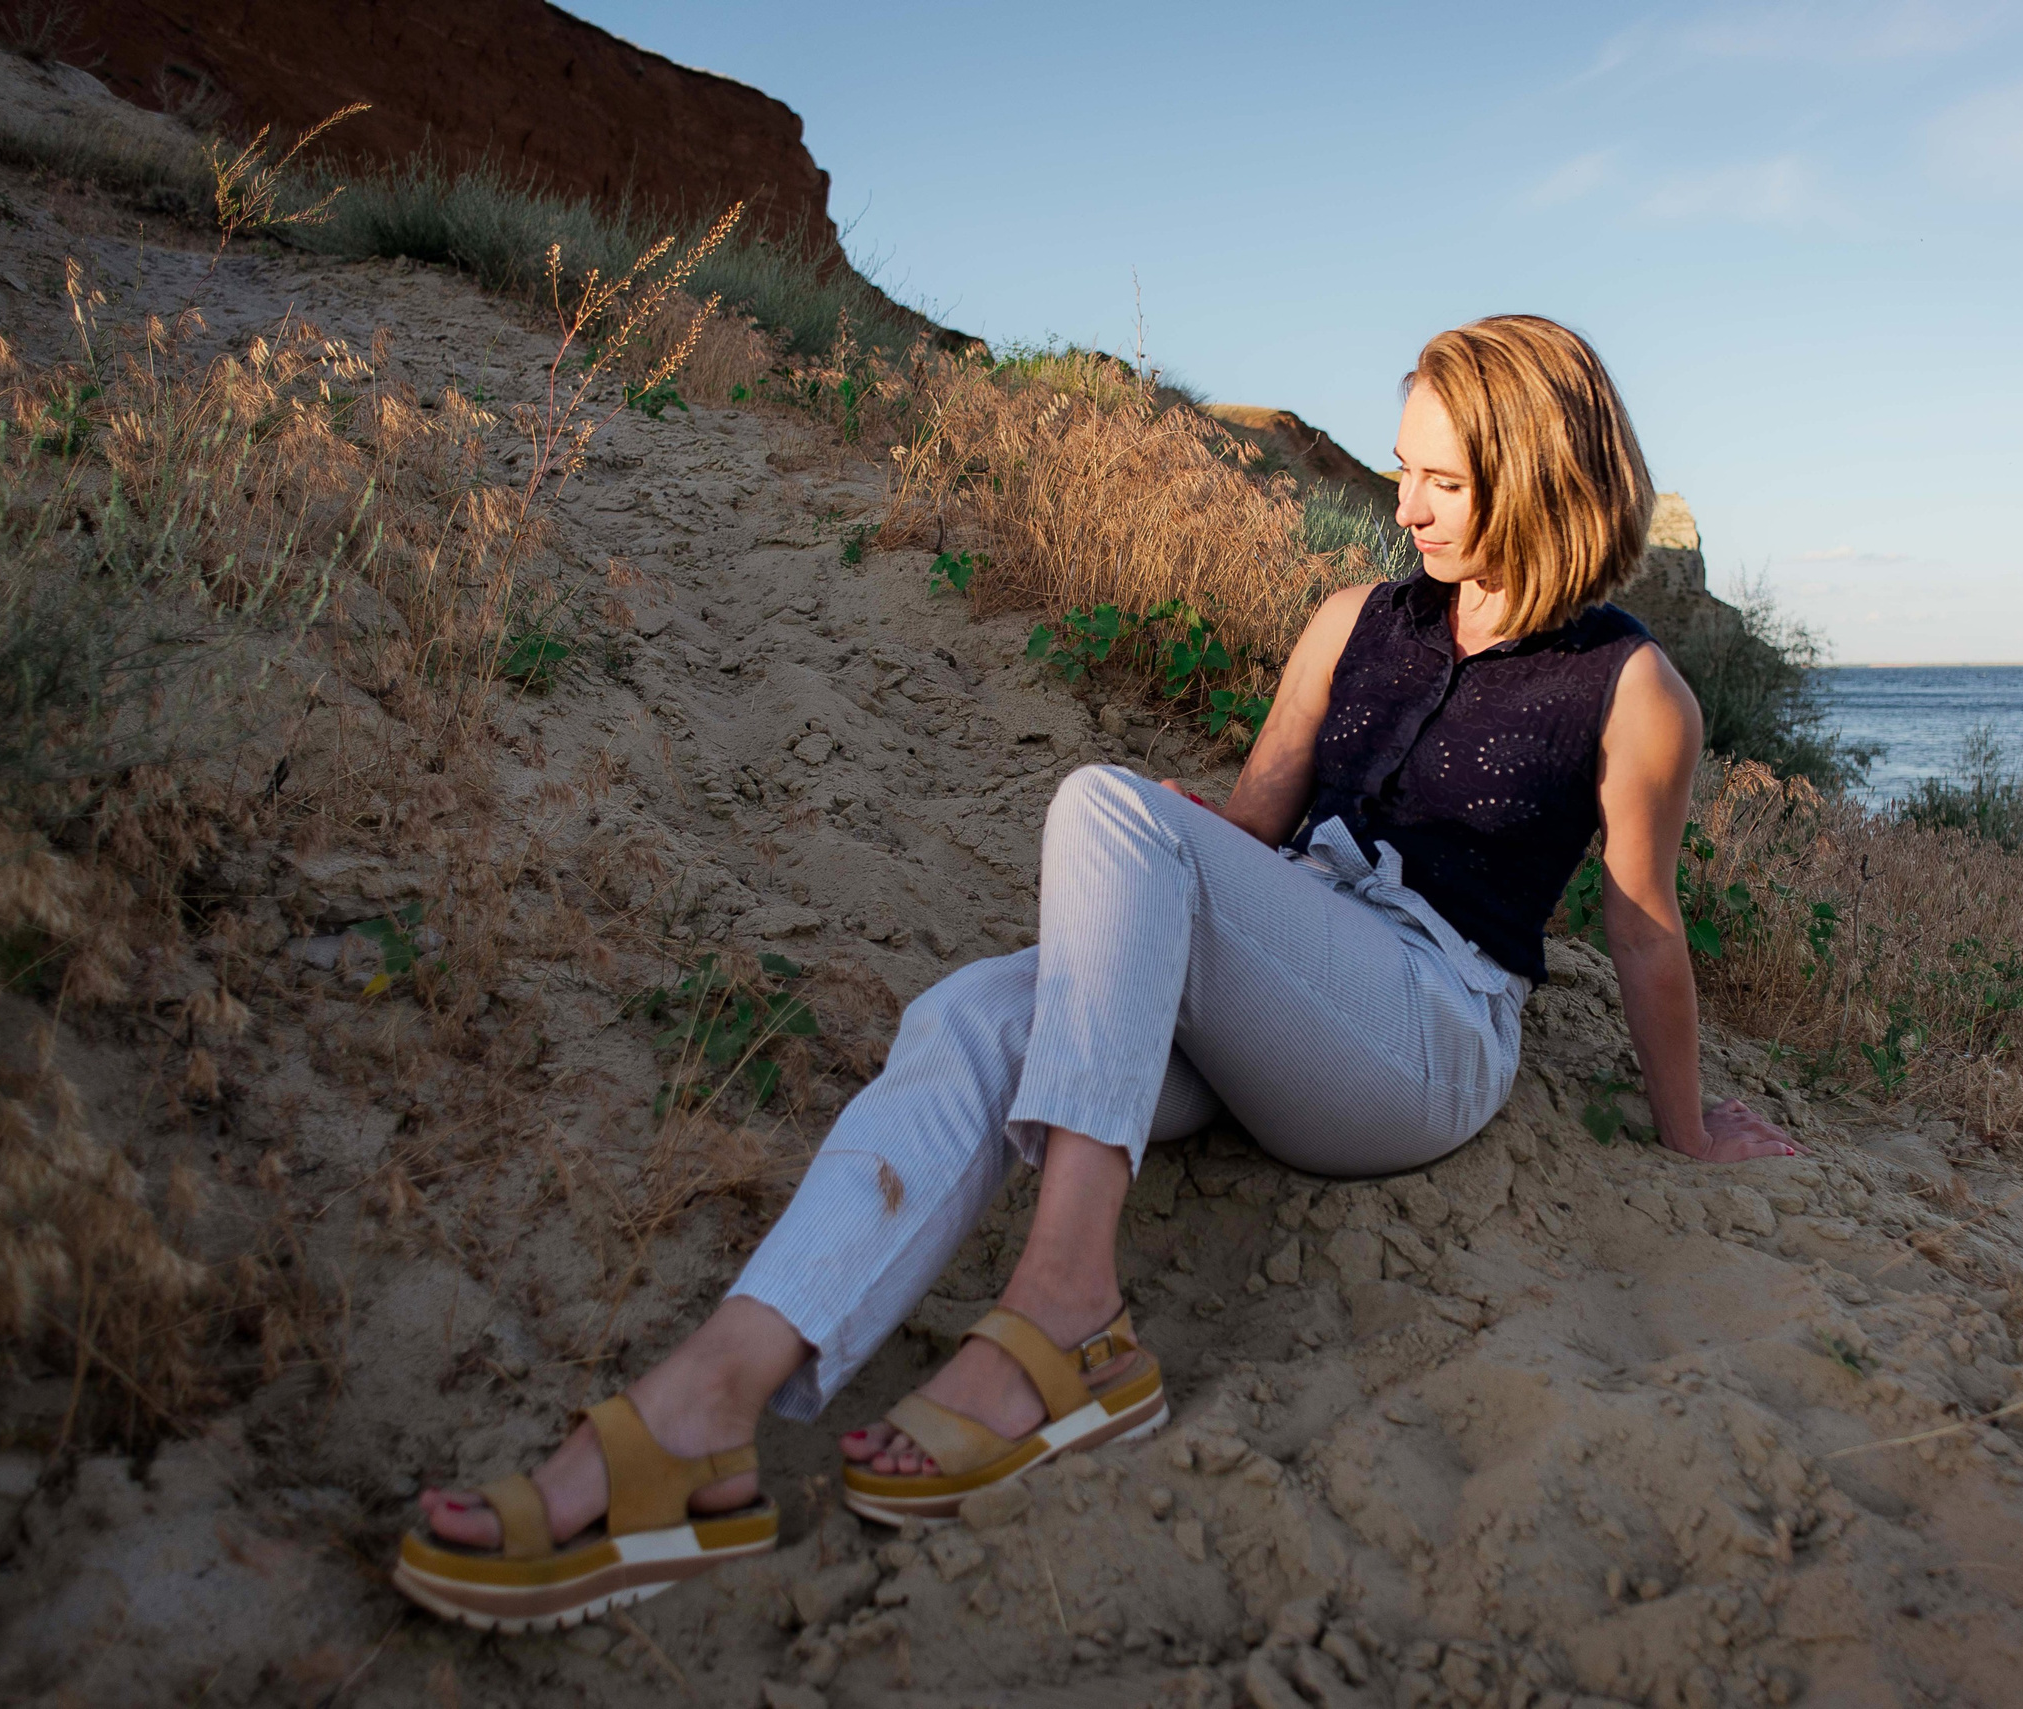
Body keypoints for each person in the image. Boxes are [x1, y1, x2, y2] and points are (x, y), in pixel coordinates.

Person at [391, 314, 1798, 1631]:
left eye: (1444, 479)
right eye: (1401, 471)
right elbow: (1248, 836)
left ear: (1543, 480)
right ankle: (707, 1411)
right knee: (973, 1010)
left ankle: (1065, 1304)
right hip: (1284, 982)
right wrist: (1138, 879)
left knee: (1108, 803)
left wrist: (1689, 1129)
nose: (1407, 508)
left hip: (1425, 1033)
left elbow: (1641, 926)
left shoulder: (1634, 690)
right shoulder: (1351, 619)